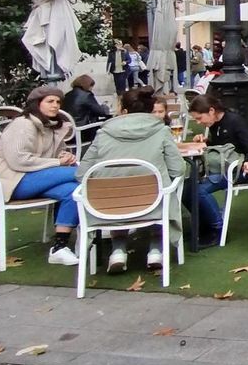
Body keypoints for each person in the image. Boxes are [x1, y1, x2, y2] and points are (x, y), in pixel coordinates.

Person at [77, 87, 184, 273]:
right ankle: (155, 249)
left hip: (105, 206)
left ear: (123, 110)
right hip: (152, 204)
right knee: (165, 188)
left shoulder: (103, 133)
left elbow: (82, 173)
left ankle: (118, 250)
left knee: (118, 191)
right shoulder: (162, 131)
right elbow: (178, 169)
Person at [0, 86, 80, 266]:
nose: (55, 106)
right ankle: (111, 215)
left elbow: (54, 155)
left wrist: (64, 156)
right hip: (13, 181)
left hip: (37, 178)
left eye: (58, 102)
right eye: (50, 101)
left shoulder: (52, 126)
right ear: (37, 104)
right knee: (80, 173)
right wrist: (58, 163)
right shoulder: (23, 124)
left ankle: (59, 248)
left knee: (73, 190)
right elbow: (19, 160)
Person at [185, 94, 248, 245]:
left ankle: (217, 228)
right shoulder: (216, 123)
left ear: (211, 111)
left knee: (198, 190)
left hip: (238, 170)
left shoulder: (235, 121)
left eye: (199, 118)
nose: (198, 122)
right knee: (187, 188)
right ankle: (204, 225)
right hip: (225, 168)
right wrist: (206, 142)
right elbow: (222, 146)